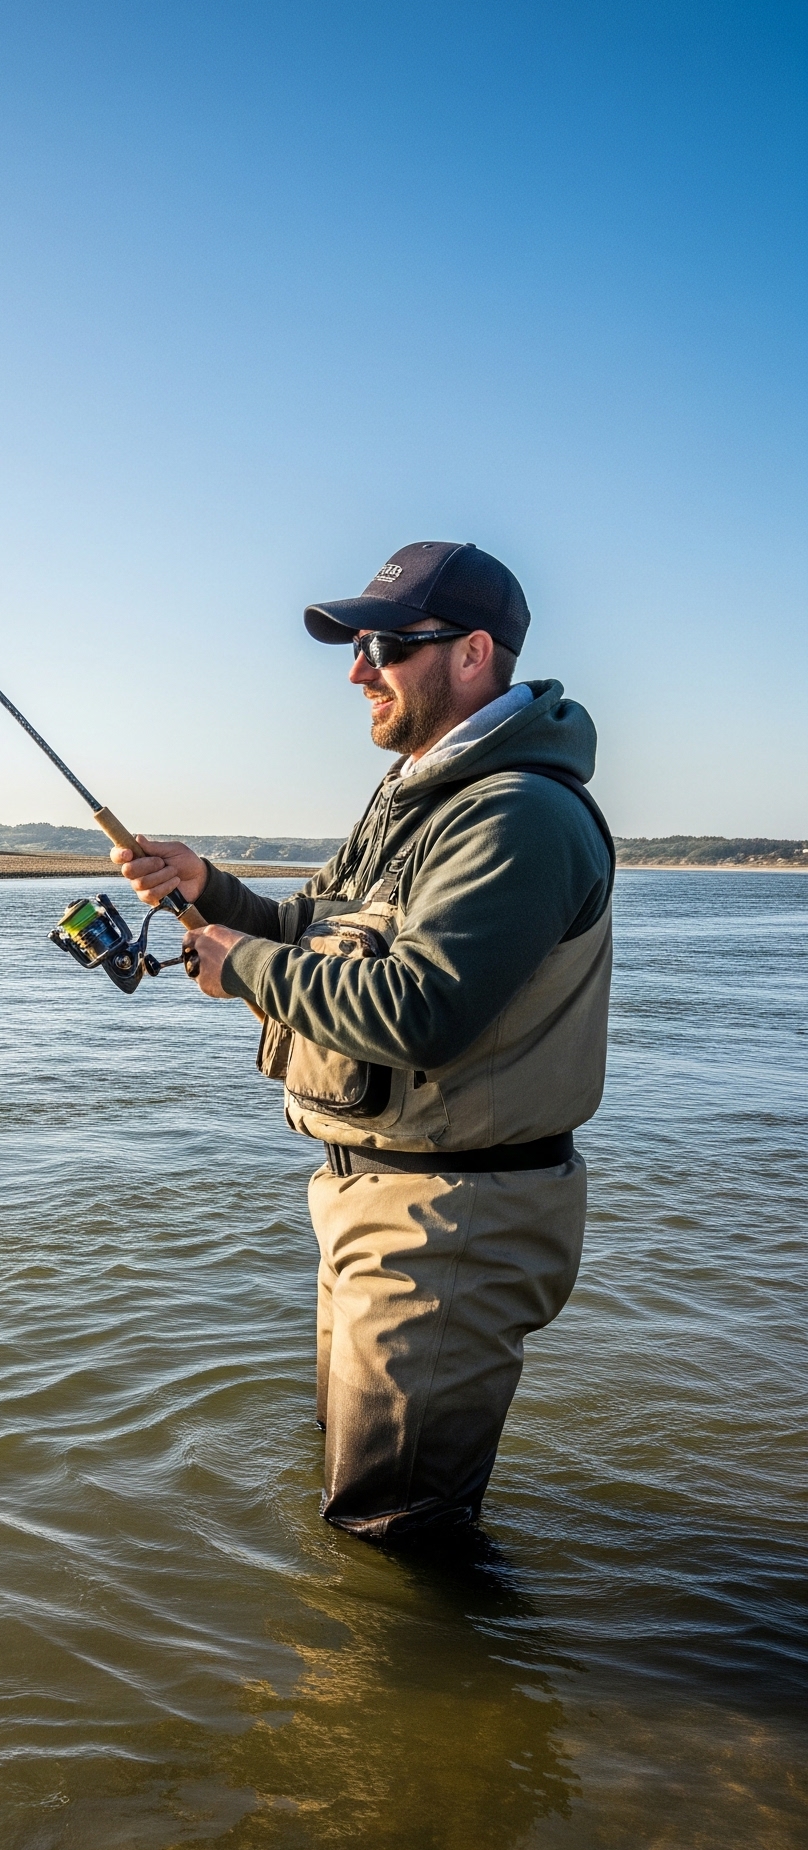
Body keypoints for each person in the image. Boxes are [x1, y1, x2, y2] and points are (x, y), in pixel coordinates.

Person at [117, 542, 613, 1543]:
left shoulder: (514, 814)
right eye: (355, 645)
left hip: (451, 1217)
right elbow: (318, 928)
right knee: (352, 1486)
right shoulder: (414, 793)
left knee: (395, 1535)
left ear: (472, 654)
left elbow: (420, 1005)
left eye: (383, 645)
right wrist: (210, 891)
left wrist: (239, 966)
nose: (356, 671)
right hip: (372, 1197)